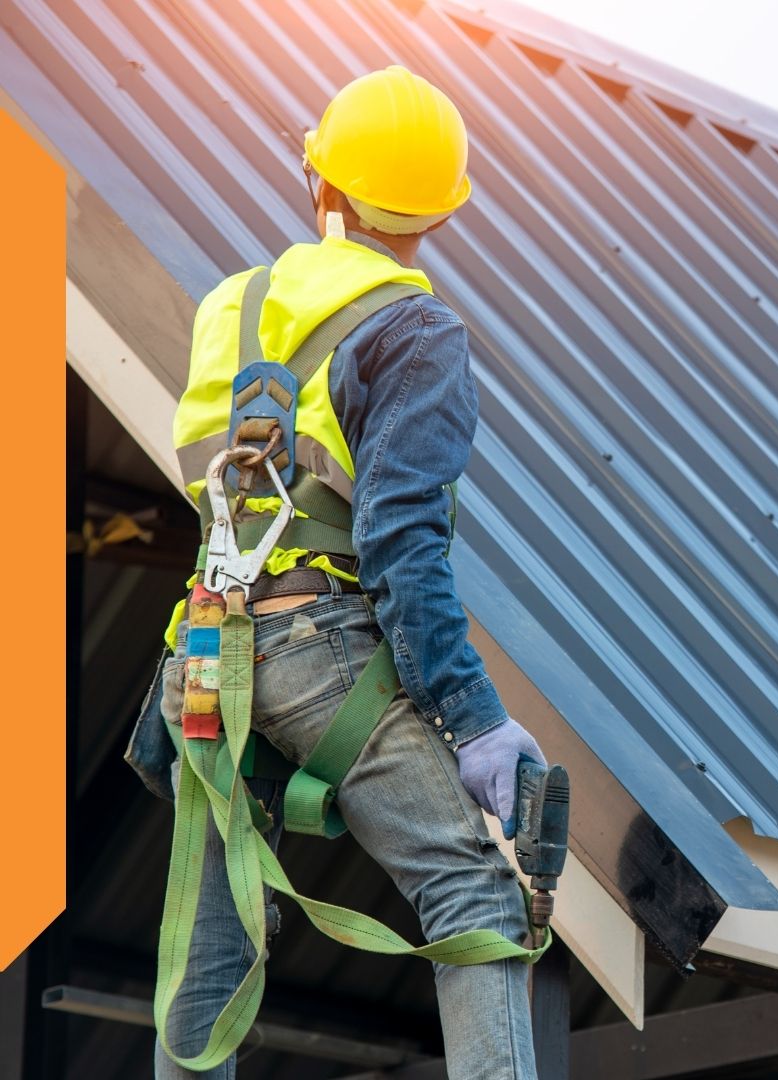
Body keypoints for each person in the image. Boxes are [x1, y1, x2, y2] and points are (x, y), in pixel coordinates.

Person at [154, 65, 546, 1080]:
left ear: (316, 177)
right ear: (437, 213)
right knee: (478, 897)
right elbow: (400, 542)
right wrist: (471, 716)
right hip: (322, 654)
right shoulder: (417, 332)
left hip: (204, 648)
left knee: (209, 933)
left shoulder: (228, 309)